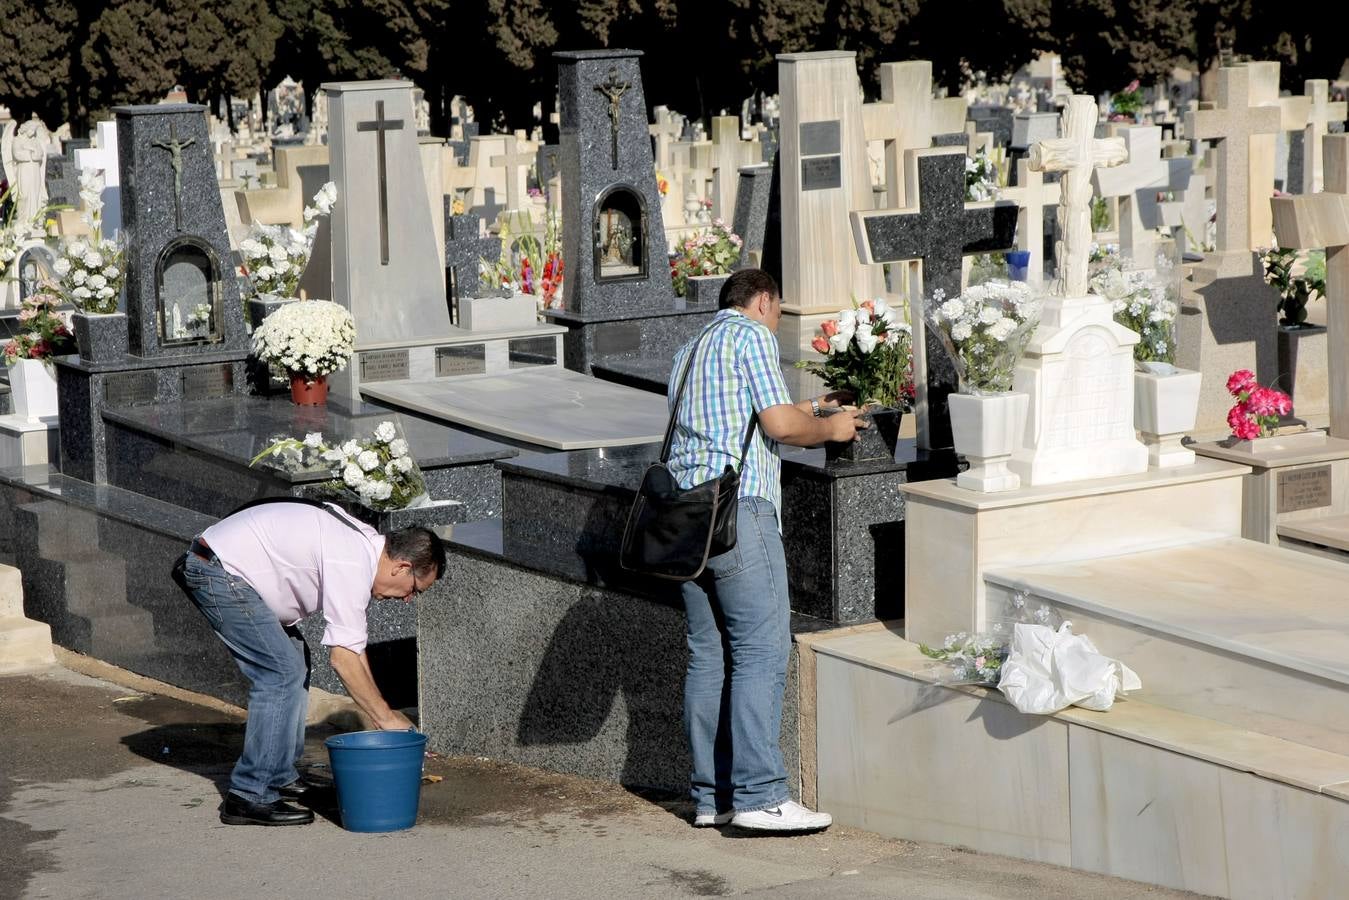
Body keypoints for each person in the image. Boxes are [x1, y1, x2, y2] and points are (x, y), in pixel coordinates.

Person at [666, 268, 866, 833]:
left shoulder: (690, 349)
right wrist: (832, 430)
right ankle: (760, 796)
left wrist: (812, 406)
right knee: (760, 650)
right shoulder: (751, 336)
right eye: (778, 312)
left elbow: (745, 418)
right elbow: (779, 428)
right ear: (762, 302)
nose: (777, 324)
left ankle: (714, 797)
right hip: (741, 514)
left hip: (689, 524)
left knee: (708, 659)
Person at [176, 500, 445, 826]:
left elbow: (354, 650)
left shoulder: (362, 547)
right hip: (219, 571)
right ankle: (250, 794)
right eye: (414, 589)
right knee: (281, 672)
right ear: (401, 568)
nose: (407, 599)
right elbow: (343, 660)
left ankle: (278, 774)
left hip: (225, 567)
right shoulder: (352, 560)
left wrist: (382, 713)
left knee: (293, 660)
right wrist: (386, 719)